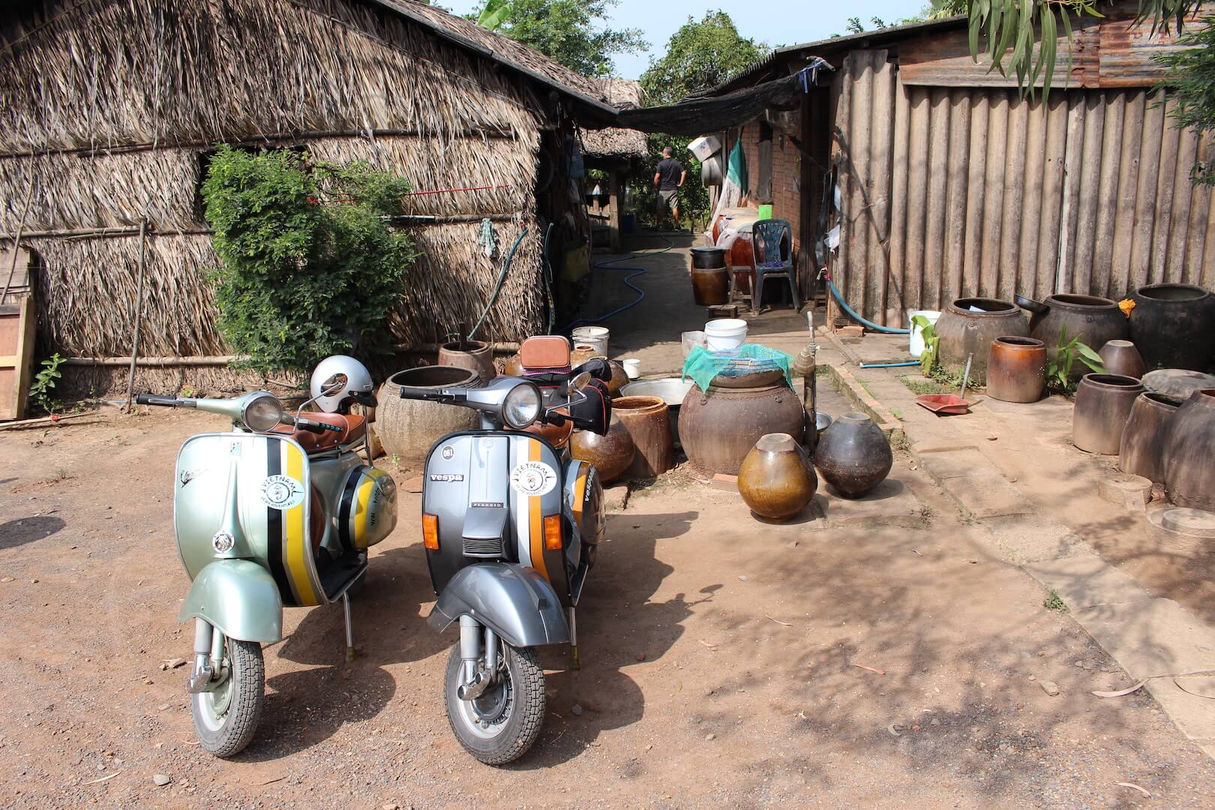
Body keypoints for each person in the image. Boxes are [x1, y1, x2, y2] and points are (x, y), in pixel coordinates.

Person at [653, 146, 687, 230]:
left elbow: (657, 177)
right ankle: (676, 225)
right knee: (674, 207)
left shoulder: (661, 164)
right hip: (673, 189)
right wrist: (681, 184)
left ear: (665, 153)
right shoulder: (676, 163)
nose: (662, 154)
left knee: (660, 208)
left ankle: (658, 225)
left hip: (663, 189)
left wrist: (655, 185)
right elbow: (683, 173)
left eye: (663, 152)